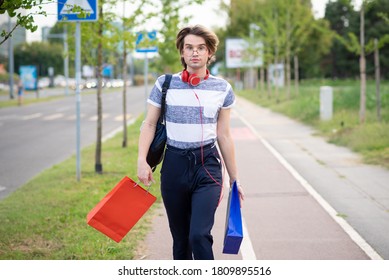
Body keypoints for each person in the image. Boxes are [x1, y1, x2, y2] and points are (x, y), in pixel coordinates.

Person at [137, 25, 244, 260]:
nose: (195, 53)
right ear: (182, 53)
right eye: (189, 48)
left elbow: (224, 135)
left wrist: (235, 179)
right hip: (174, 166)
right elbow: (149, 124)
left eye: (200, 48)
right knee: (181, 240)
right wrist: (142, 161)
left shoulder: (222, 88)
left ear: (209, 53)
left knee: (199, 235)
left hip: (208, 167)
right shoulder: (164, 84)